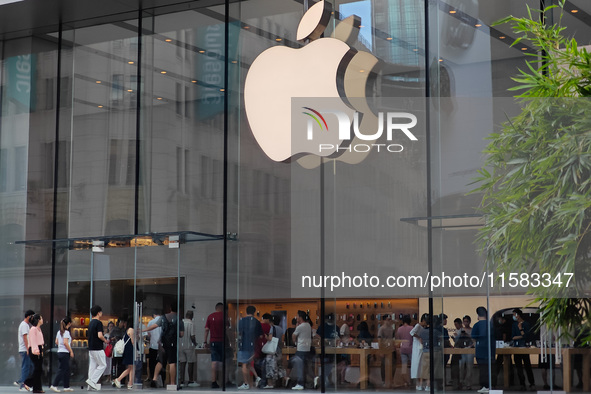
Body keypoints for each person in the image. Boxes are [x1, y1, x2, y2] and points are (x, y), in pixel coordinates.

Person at [144, 303, 184, 388]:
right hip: (172, 343)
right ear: (178, 310)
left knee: (160, 361)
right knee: (172, 363)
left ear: (170, 308)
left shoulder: (164, 317)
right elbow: (181, 334)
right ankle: (172, 383)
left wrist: (143, 330)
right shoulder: (179, 319)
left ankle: (154, 379)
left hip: (163, 343)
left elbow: (154, 326)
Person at [205, 303, 232, 388]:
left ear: (216, 308)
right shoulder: (225, 316)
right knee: (224, 361)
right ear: (222, 308)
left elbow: (206, 330)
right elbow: (228, 329)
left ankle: (213, 381)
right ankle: (224, 380)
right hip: (223, 341)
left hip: (213, 341)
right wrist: (230, 342)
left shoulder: (210, 316)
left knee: (214, 361)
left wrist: (205, 342)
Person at [237, 305, 263, 390]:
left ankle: (245, 383)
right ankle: (257, 377)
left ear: (246, 311)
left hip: (244, 345)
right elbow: (260, 336)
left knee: (244, 364)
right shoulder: (256, 322)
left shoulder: (242, 321)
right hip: (253, 346)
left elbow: (239, 333)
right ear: (254, 312)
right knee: (248, 363)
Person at [471, 307, 495, 394]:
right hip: (490, 350)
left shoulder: (477, 325)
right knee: (489, 369)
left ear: (478, 315)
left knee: (482, 369)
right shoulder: (491, 324)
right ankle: (489, 385)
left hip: (481, 350)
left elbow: (473, 337)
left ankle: (484, 386)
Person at [511, 308, 535, 391]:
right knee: (519, 367)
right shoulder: (514, 325)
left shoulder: (526, 324)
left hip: (525, 347)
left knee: (527, 366)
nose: (513, 316)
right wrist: (522, 335)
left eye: (514, 315)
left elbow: (527, 336)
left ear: (518, 315)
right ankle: (522, 384)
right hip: (516, 347)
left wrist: (521, 329)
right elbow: (513, 337)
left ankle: (532, 383)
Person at [87, 305, 109, 391]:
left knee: (92, 366)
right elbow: (100, 335)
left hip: (91, 348)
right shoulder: (98, 323)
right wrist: (105, 340)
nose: (102, 313)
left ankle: (90, 386)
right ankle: (92, 381)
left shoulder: (91, 323)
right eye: (101, 312)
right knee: (103, 365)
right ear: (98, 313)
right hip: (98, 348)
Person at [50, 317, 74, 392]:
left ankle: (66, 386)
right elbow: (65, 342)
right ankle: (54, 384)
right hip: (65, 352)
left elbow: (56, 342)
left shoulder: (59, 332)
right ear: (69, 323)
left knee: (66, 369)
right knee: (62, 369)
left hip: (60, 351)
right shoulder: (66, 332)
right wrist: (71, 351)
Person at [261, 314, 285, 389]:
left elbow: (270, 338)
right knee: (279, 367)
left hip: (272, 352)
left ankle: (270, 384)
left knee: (270, 367)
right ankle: (280, 383)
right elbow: (281, 341)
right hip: (279, 350)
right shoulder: (281, 329)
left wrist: (265, 336)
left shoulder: (272, 328)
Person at [291, 310, 312, 390]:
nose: (296, 317)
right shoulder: (308, 325)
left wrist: (295, 343)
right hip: (307, 349)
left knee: (299, 367)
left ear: (300, 317)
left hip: (300, 349)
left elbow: (293, 336)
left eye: (297, 316)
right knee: (305, 367)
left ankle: (300, 383)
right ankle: (310, 380)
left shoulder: (300, 327)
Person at [15, 309, 35, 392]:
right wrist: (28, 349)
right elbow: (25, 338)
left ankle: (24, 383)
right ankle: (23, 385)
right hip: (25, 349)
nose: (33, 319)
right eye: (32, 317)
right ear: (28, 316)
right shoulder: (24, 325)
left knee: (30, 367)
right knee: (26, 368)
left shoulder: (26, 325)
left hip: (25, 349)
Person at [114, 317, 135, 390]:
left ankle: (130, 383)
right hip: (130, 350)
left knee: (131, 367)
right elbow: (133, 342)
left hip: (128, 350)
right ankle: (119, 379)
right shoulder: (131, 330)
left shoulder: (128, 330)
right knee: (130, 368)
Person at [179, 310, 198, 387]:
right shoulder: (191, 323)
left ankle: (182, 381)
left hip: (181, 346)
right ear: (192, 316)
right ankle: (190, 380)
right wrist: (195, 343)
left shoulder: (181, 322)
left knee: (182, 363)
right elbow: (192, 336)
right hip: (189, 346)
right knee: (191, 363)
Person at [145, 311, 164, 386]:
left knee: (152, 364)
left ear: (153, 315)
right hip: (161, 346)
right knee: (161, 363)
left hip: (153, 345)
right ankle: (162, 380)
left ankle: (153, 379)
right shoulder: (163, 321)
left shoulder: (151, 322)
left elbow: (148, 334)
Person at [28, 314, 45, 394]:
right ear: (38, 320)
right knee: (37, 369)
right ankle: (28, 383)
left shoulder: (38, 329)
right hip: (35, 349)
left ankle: (37, 388)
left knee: (39, 369)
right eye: (41, 318)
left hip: (39, 348)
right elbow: (33, 340)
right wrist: (36, 350)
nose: (42, 320)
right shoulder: (33, 329)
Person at [410, 313, 427, 388]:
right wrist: (419, 337)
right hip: (417, 347)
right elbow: (411, 333)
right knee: (417, 364)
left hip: (421, 347)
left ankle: (420, 383)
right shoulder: (418, 325)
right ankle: (418, 383)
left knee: (421, 365)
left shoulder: (424, 327)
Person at [395, 314, 413, 387]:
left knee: (404, 366)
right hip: (410, 348)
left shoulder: (399, 329)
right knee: (412, 366)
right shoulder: (412, 328)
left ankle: (405, 382)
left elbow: (398, 340)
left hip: (402, 349)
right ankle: (412, 381)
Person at [378, 314, 395, 387]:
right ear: (384, 320)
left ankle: (390, 379)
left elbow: (393, 338)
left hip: (390, 348)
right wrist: (381, 350)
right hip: (384, 348)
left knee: (392, 364)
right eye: (388, 319)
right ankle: (383, 380)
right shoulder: (381, 329)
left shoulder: (391, 328)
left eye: (390, 319)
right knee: (383, 364)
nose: (389, 321)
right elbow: (379, 340)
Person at [459, 315, 474, 390]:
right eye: (464, 321)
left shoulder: (472, 330)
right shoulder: (460, 329)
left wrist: (468, 335)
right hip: (462, 349)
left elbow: (474, 340)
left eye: (467, 321)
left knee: (469, 367)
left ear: (470, 322)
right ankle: (461, 382)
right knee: (461, 367)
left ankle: (469, 383)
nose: (465, 323)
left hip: (470, 349)